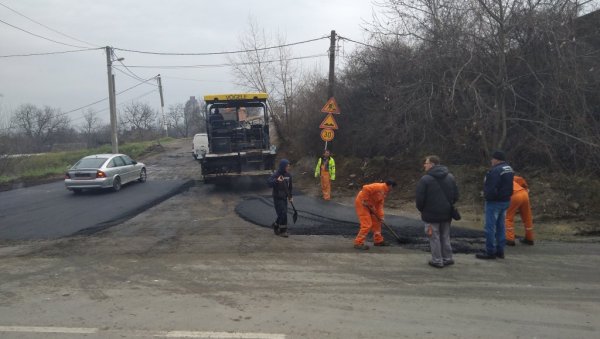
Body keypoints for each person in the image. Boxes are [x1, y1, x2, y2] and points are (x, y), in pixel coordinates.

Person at [415, 155, 459, 268]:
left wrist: (422, 210)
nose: (424, 165)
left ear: (432, 164)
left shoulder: (425, 179)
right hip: (447, 213)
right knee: (445, 236)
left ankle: (437, 260)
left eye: (426, 163)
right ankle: (448, 258)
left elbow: (420, 199)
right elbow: (456, 196)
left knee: (434, 237)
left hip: (431, 215)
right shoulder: (450, 177)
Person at [476, 150, 514, 260]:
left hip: (494, 202)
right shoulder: (509, 168)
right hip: (505, 201)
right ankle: (500, 250)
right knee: (501, 226)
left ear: (496, 159)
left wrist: (487, 196)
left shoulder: (495, 171)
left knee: (490, 228)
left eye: (492, 159)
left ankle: (490, 252)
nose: (491, 161)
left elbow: (491, 187)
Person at [353, 179, 397, 250]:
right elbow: (365, 188)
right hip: (362, 204)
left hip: (370, 205)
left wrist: (381, 216)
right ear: (390, 186)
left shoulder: (384, 192)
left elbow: (379, 205)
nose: (392, 190)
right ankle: (358, 243)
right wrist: (365, 199)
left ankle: (378, 241)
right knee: (367, 224)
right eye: (393, 188)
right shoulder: (378, 186)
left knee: (377, 221)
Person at [506, 176, 535, 246]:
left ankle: (509, 239)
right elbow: (520, 179)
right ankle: (529, 239)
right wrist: (526, 188)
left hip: (515, 195)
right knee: (527, 217)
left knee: (507, 217)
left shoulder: (496, 179)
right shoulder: (510, 176)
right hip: (524, 194)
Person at [267, 159, 293, 238]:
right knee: (283, 213)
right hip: (277, 197)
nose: (288, 167)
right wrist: (277, 181)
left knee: (282, 213)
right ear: (283, 166)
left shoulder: (288, 175)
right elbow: (269, 183)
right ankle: (283, 231)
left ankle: (275, 225)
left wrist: (290, 196)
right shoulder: (276, 174)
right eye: (287, 166)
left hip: (284, 197)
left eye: (289, 166)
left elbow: (290, 187)